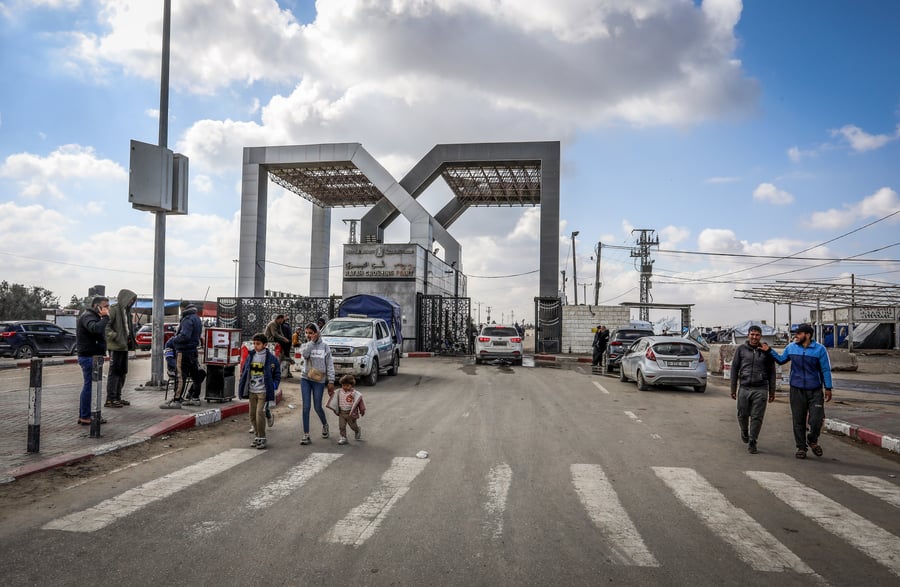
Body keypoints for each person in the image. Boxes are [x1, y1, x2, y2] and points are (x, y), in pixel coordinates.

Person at [761, 323, 833, 459]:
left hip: (815, 390)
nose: (796, 336)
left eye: (798, 334)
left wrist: (828, 387)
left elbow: (825, 369)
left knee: (817, 419)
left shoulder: (820, 350)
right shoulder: (791, 347)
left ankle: (812, 440)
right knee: (798, 419)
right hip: (796, 389)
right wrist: (769, 350)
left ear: (807, 335)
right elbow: (781, 360)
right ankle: (801, 447)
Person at [730, 324, 776, 454]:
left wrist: (772, 391)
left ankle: (753, 441)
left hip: (761, 388)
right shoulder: (741, 350)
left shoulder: (766, 351)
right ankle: (744, 431)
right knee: (742, 414)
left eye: (757, 335)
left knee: (757, 417)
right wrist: (733, 388)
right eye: (752, 334)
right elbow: (734, 368)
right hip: (744, 387)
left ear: (760, 336)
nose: (754, 337)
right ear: (748, 335)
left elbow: (772, 372)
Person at [160, 301, 207, 408]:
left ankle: (176, 400)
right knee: (196, 376)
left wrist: (175, 339)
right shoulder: (197, 318)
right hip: (192, 351)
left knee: (180, 377)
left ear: (183, 308)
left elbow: (184, 336)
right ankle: (195, 398)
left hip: (184, 351)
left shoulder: (187, 319)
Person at [238, 333, 280, 450]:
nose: (255, 346)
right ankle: (257, 436)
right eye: (254, 343)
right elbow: (245, 370)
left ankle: (262, 437)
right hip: (252, 390)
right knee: (252, 414)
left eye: (258, 344)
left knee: (260, 413)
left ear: (265, 345)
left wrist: (274, 384)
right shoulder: (251, 356)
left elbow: (277, 373)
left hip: (263, 390)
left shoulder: (270, 359)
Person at [298, 322, 335, 445]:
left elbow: (329, 365)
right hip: (305, 378)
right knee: (306, 406)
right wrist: (311, 343)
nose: (309, 335)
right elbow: (305, 355)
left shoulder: (325, 347)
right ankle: (306, 434)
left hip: (319, 380)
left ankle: (325, 425)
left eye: (311, 333)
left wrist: (331, 381)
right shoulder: (306, 345)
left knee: (317, 407)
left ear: (317, 333)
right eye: (307, 333)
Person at [75, 296, 110, 425]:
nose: (108, 309)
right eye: (105, 306)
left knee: (92, 386)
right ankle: (86, 416)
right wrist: (106, 317)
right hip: (89, 357)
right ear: (97, 306)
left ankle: (86, 415)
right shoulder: (88, 316)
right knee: (90, 386)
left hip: (94, 357)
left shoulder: (93, 316)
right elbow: (95, 329)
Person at [104, 288, 137, 408]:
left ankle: (117, 397)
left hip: (124, 346)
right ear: (124, 298)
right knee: (114, 373)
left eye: (133, 300)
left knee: (122, 372)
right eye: (130, 299)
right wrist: (115, 336)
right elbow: (106, 326)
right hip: (115, 346)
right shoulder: (114, 310)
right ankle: (110, 399)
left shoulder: (127, 311)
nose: (131, 302)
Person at [327, 374, 365, 445]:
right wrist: (330, 390)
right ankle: (343, 438)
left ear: (352, 385)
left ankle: (357, 430)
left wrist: (362, 409)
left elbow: (359, 402)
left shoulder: (354, 393)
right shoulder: (339, 391)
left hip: (350, 413)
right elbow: (332, 395)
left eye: (347, 385)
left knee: (352, 426)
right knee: (342, 426)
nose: (345, 387)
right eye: (343, 385)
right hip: (342, 413)